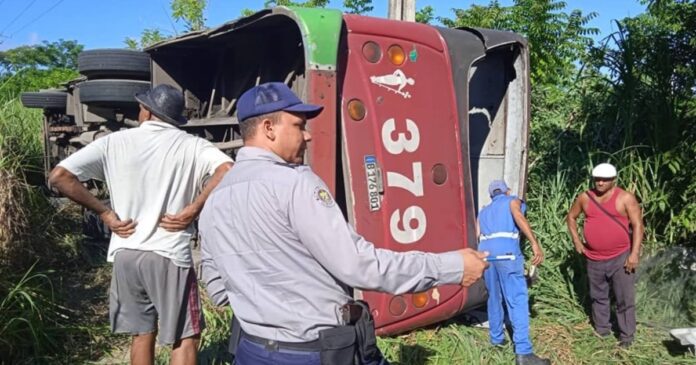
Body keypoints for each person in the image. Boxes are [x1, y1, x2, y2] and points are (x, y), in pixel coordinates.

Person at [198, 82, 490, 365]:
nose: (308, 135)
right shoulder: (294, 184)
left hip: (252, 349)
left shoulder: (214, 200)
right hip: (314, 352)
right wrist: (453, 267)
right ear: (268, 129)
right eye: (299, 125)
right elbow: (359, 266)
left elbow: (218, 289)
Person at [49, 84, 233, 365]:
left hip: (126, 252)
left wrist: (105, 214)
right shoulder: (192, 145)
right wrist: (194, 209)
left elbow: (60, 176)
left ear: (147, 111)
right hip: (169, 253)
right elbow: (227, 169)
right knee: (185, 337)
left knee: (141, 333)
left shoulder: (114, 142)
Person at [566, 163, 643, 348]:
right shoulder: (585, 197)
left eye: (605, 179)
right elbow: (571, 217)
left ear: (613, 180)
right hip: (594, 258)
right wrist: (577, 241)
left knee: (624, 298)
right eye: (597, 179)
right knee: (598, 296)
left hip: (620, 256)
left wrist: (634, 254)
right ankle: (602, 331)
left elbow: (638, 225)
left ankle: (626, 337)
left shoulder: (625, 198)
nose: (600, 183)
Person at [477, 180, 550, 365]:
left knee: (494, 298)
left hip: (486, 257)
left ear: (492, 195)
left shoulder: (484, 211)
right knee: (517, 300)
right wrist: (534, 243)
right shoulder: (512, 201)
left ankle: (497, 340)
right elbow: (518, 215)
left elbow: (477, 234)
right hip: (508, 256)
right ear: (507, 190)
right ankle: (524, 353)